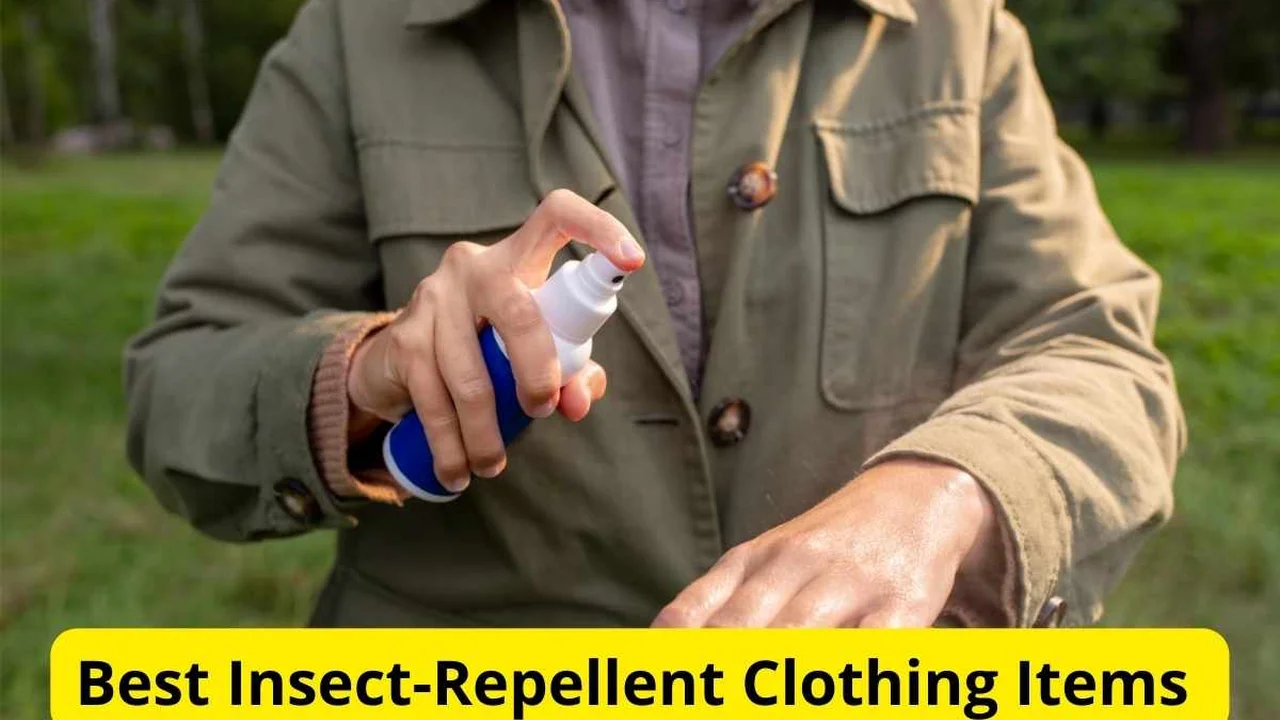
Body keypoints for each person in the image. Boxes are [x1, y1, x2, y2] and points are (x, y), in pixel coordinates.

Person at [125, 0, 1184, 629]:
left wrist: (941, 493)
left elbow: (1101, 357)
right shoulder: (361, 30)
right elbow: (180, 383)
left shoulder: (955, 27)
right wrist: (362, 373)